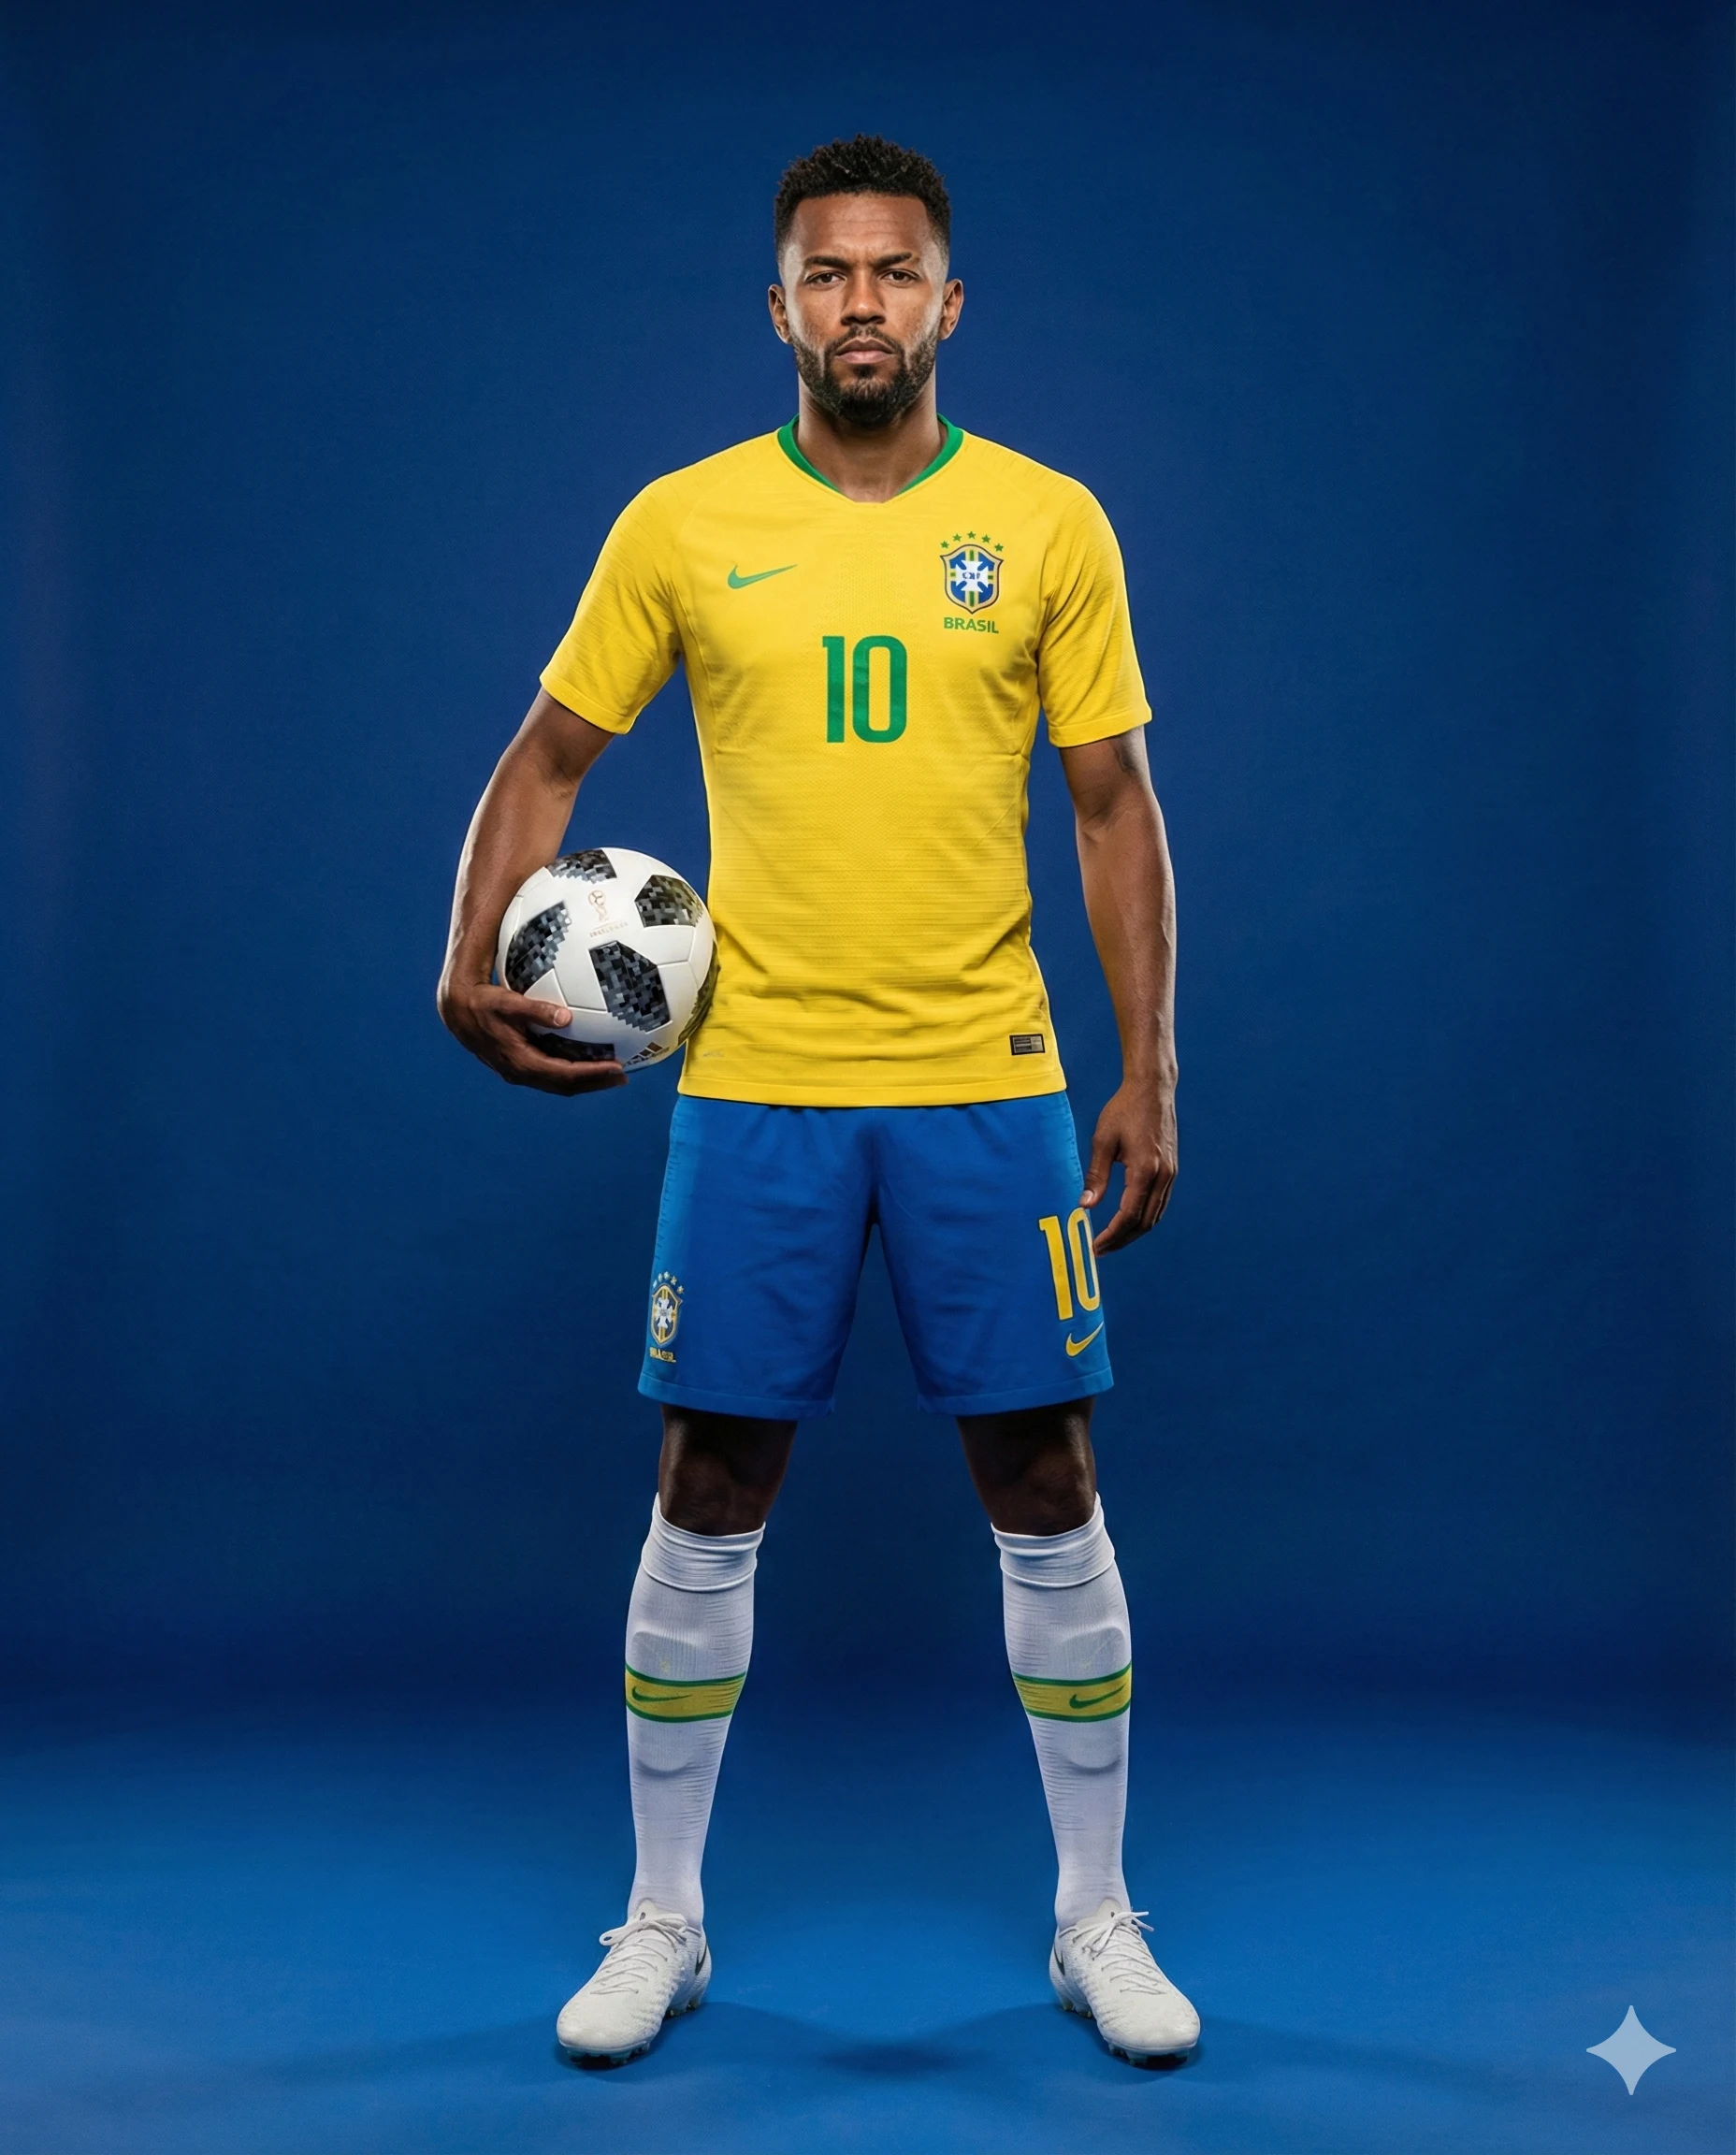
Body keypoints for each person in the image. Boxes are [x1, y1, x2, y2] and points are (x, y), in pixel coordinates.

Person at [438, 134, 1197, 2069]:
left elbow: (1112, 810)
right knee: (709, 1489)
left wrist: (1151, 1070)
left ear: (950, 304)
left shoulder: (1046, 525)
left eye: (894, 271)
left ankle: (1094, 1918)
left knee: (1045, 1484)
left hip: (990, 1083)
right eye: (826, 272)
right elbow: (543, 758)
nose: (860, 301)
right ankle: (662, 1921)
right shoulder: (682, 523)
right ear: (778, 307)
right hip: (758, 1083)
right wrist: (466, 954)